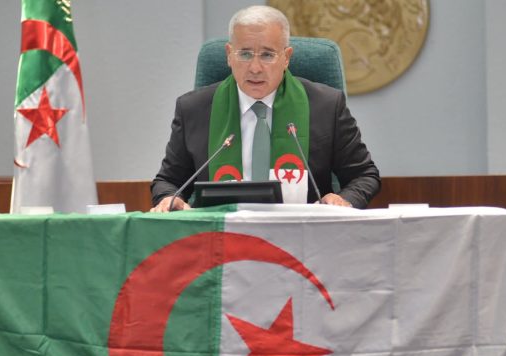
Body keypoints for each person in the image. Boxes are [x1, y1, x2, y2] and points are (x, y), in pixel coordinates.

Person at [151, 5, 380, 212]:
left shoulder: (326, 106)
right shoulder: (193, 109)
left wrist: (343, 200)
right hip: (220, 237)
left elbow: (363, 175)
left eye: (268, 55)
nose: (255, 68)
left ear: (286, 58)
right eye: (245, 54)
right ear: (229, 55)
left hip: (303, 236)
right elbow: (168, 181)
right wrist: (170, 198)